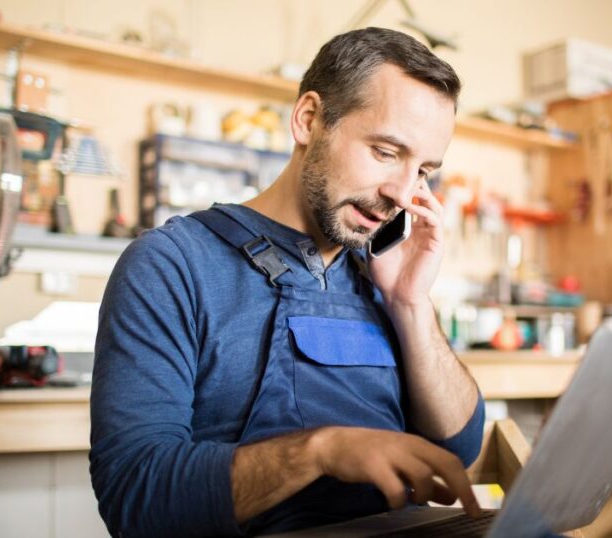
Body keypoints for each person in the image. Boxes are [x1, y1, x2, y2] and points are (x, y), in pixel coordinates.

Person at [90, 27, 485, 537]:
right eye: (386, 152)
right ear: (308, 120)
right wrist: (322, 451)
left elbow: (456, 447)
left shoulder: (382, 280)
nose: (402, 194)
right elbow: (135, 497)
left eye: (424, 171)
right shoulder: (171, 265)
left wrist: (410, 303)